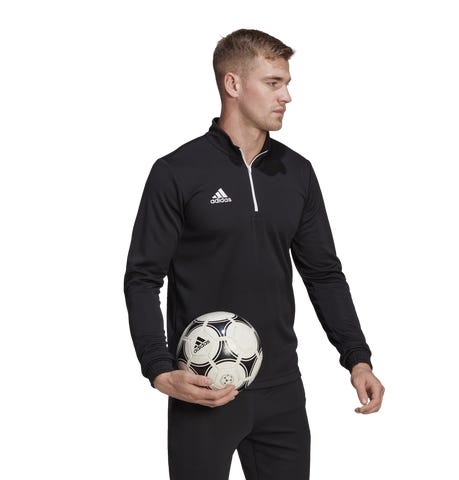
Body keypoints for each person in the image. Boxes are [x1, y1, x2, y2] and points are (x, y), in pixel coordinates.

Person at [123, 28, 384, 480]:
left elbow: (323, 274)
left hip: (282, 390)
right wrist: (159, 368)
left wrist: (357, 357)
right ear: (233, 84)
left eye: (287, 83)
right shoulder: (176, 172)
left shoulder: (296, 173)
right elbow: (143, 277)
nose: (287, 96)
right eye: (273, 83)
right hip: (204, 388)